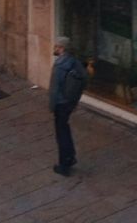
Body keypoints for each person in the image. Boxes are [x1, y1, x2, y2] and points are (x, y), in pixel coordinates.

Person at [48, 36, 87, 176]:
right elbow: (83, 78)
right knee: (65, 129)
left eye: (57, 47)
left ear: (62, 48)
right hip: (70, 102)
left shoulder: (59, 65)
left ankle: (65, 163)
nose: (55, 49)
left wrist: (52, 106)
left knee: (62, 133)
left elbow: (54, 88)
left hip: (60, 103)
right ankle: (69, 157)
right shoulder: (74, 62)